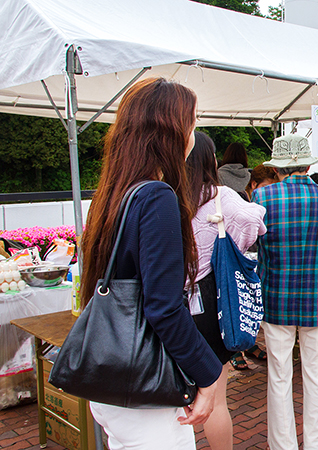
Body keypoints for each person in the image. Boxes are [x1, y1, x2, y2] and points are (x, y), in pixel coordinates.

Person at [80, 78, 222, 449]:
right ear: (172, 129)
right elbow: (164, 307)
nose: (195, 131)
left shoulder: (115, 192)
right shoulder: (156, 196)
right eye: (193, 120)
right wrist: (207, 376)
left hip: (115, 375)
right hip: (147, 383)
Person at [252, 134, 318, 450]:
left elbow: (254, 242)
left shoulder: (262, 198)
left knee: (279, 375)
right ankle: (317, 442)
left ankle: (283, 444)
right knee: (316, 373)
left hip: (276, 295)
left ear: (277, 169)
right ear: (307, 165)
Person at [184, 131, 266, 450]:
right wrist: (236, 242)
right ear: (211, 161)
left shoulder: (167, 193)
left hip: (171, 301)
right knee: (216, 399)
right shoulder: (218, 194)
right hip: (210, 297)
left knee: (173, 393)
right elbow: (253, 219)